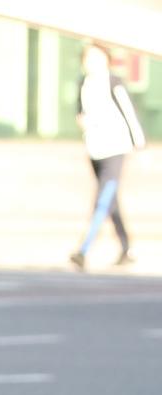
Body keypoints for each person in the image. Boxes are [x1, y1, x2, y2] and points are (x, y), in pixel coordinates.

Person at [71, 44, 146, 270]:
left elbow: (129, 113)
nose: (90, 62)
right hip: (95, 149)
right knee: (111, 202)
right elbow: (80, 112)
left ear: (106, 59)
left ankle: (83, 250)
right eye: (87, 57)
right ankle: (126, 248)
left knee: (102, 200)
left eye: (95, 57)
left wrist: (138, 144)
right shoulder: (83, 84)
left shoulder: (114, 82)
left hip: (116, 148)